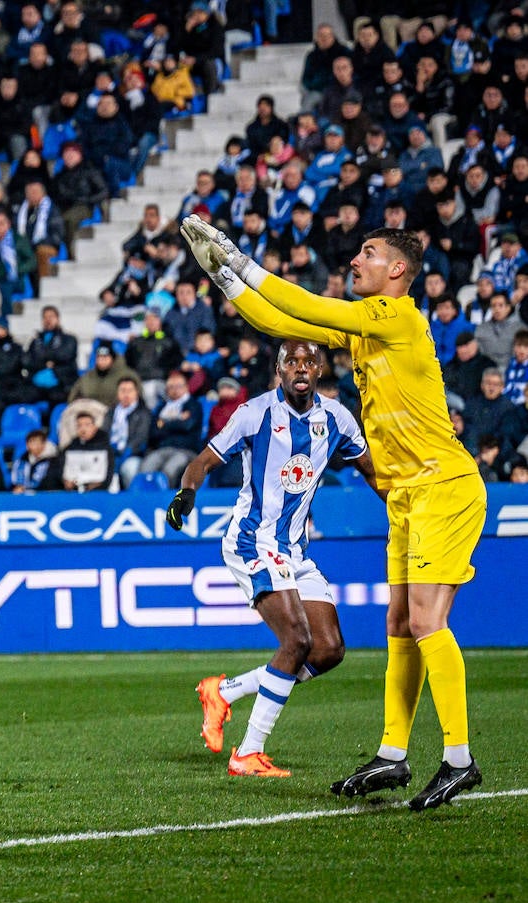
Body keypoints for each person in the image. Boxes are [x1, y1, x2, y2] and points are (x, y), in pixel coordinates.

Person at [181, 215, 488, 810]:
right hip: (408, 496)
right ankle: (393, 755)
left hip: (443, 486)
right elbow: (284, 320)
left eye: (368, 253)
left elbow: (307, 303)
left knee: (426, 623)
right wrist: (225, 280)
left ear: (396, 269)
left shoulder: (395, 316)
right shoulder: (369, 334)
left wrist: (241, 260)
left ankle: (459, 759)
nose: (356, 261)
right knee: (399, 626)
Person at [167, 340, 377, 777]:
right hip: (252, 542)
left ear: (319, 370)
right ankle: (248, 753)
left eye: (308, 362)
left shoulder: (337, 417)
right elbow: (203, 462)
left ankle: (224, 691)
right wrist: (185, 495)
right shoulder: (254, 413)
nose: (301, 368)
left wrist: (406, 508)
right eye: (291, 362)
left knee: (329, 650)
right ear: (279, 372)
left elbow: (372, 470)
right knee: (297, 641)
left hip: (295, 550)